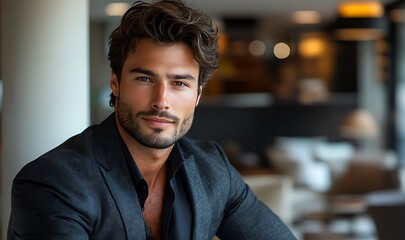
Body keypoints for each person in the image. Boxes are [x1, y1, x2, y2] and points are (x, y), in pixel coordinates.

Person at [8, 1, 296, 239]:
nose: (161, 100)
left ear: (197, 95)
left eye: (179, 83)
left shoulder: (211, 169)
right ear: (116, 82)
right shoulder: (53, 182)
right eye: (145, 78)